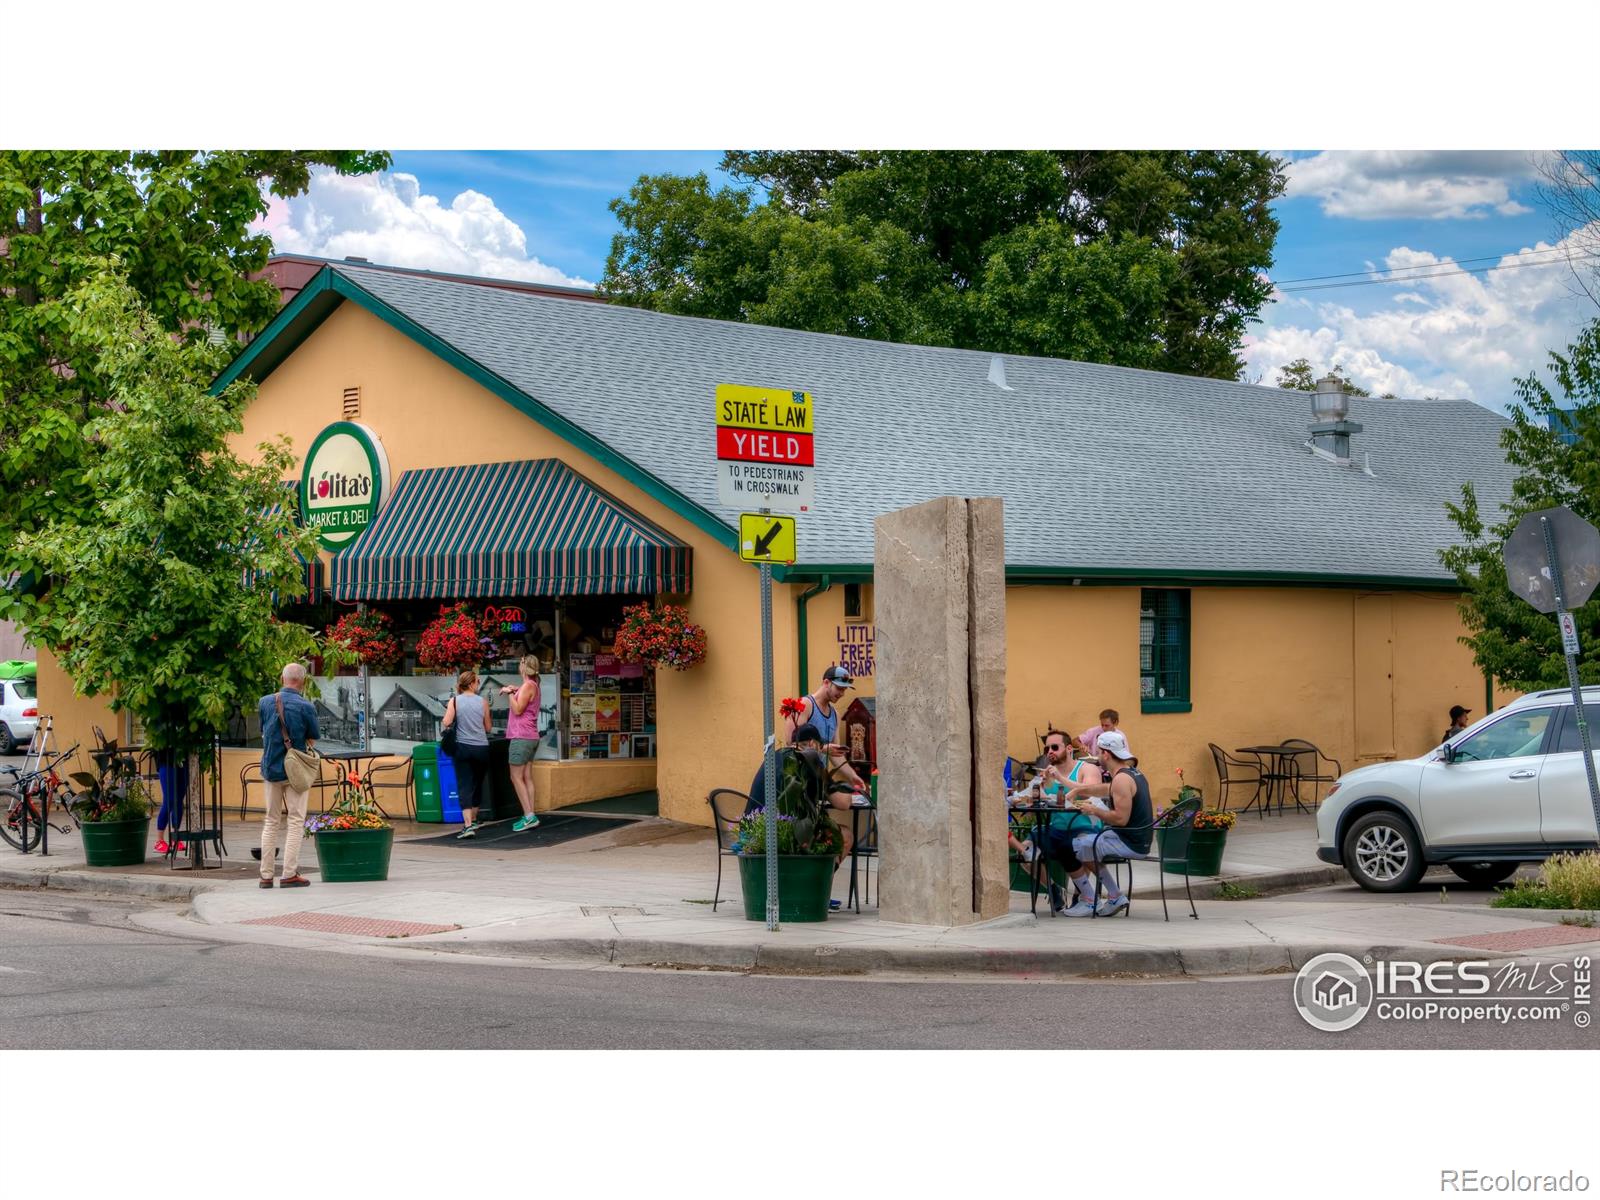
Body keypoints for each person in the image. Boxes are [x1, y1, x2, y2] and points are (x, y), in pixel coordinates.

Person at [745, 722, 857, 910]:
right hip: (783, 832)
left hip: (752, 828)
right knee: (844, 836)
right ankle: (813, 889)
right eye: (820, 748)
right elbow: (843, 803)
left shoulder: (775, 755)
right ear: (813, 744)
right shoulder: (809, 759)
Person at [1057, 729, 1153, 917]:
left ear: (1106, 754)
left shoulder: (1121, 780)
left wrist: (1094, 810)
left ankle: (1090, 899)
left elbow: (1120, 819)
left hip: (1130, 841)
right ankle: (1113, 895)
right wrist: (1080, 790)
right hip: (1136, 837)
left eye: (1098, 751)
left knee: (1071, 846)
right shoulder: (1131, 773)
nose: (1096, 755)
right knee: (1084, 843)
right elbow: (1105, 788)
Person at [1015, 729, 1105, 909]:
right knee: (1024, 851)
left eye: (1055, 747)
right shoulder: (1046, 775)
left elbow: (1090, 790)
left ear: (1069, 748)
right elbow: (1030, 803)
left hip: (1085, 827)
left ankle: (1081, 894)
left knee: (1081, 846)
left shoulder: (1087, 769)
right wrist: (1035, 794)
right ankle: (1053, 888)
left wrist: (1060, 778)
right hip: (1056, 830)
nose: (1050, 752)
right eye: (1047, 748)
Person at [258, 662, 320, 888]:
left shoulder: (265, 702)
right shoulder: (306, 706)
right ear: (302, 682)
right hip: (295, 770)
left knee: (271, 820)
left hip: (270, 768)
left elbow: (263, 731)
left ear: (282, 678)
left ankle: (265, 876)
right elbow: (313, 738)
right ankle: (288, 874)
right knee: (295, 820)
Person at [784, 665, 867, 792]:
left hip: (817, 781)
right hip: (796, 782)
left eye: (844, 690)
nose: (842, 694)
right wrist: (824, 748)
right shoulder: (805, 705)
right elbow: (792, 743)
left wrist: (853, 776)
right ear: (826, 683)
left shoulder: (835, 715)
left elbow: (836, 754)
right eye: (839, 688)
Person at [444, 669, 492, 838]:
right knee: (477, 784)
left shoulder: (455, 701)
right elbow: (488, 728)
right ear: (471, 684)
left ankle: (468, 825)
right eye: (477, 682)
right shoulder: (483, 702)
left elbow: (447, 721)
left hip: (463, 748)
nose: (478, 684)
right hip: (481, 748)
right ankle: (474, 818)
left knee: (465, 784)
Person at [500, 655, 543, 832]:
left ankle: (529, 816)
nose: (519, 666)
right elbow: (525, 696)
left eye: (520, 663)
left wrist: (510, 694)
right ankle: (530, 814)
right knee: (527, 777)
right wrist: (515, 690)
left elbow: (517, 709)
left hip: (521, 737)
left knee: (515, 777)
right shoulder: (533, 685)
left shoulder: (527, 686)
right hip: (531, 737)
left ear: (524, 667)